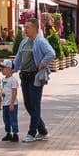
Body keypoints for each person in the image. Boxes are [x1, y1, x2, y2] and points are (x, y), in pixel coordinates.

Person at [14, 11, 54, 142]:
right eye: (25, 27)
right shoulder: (24, 42)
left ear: (36, 29)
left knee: (34, 104)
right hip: (24, 76)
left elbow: (51, 53)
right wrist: (13, 68)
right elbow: (19, 58)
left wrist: (42, 63)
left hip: (35, 77)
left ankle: (32, 133)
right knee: (28, 104)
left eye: (28, 27)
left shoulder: (40, 41)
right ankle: (43, 131)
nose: (25, 29)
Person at [0, 58, 21, 141]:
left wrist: (12, 103)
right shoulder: (3, 80)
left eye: (3, 68)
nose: (1, 70)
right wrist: (0, 102)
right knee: (6, 119)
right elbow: (1, 91)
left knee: (13, 119)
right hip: (5, 104)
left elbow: (14, 92)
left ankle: (15, 134)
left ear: (9, 69)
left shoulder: (13, 80)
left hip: (12, 104)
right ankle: (8, 133)